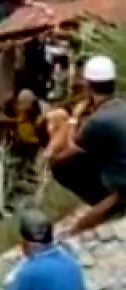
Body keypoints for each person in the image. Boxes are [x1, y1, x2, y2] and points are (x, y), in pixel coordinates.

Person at [52, 55, 126, 237]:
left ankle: (109, 201)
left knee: (60, 165)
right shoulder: (121, 107)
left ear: (88, 86)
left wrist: (73, 118)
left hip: (121, 183)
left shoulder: (98, 120)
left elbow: (66, 151)